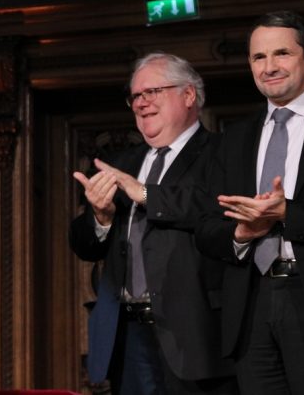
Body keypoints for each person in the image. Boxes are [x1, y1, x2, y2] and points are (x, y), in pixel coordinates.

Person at [70, 53, 237, 394]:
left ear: (188, 95)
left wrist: (145, 194)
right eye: (135, 96)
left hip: (195, 334)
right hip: (128, 335)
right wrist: (101, 218)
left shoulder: (223, 152)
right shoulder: (123, 161)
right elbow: (82, 243)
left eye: (152, 92)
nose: (141, 103)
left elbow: (215, 210)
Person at [196, 11, 304, 394]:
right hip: (251, 304)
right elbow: (205, 227)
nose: (270, 67)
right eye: (258, 57)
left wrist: (287, 213)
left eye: (281, 53)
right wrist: (242, 232)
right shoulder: (233, 139)